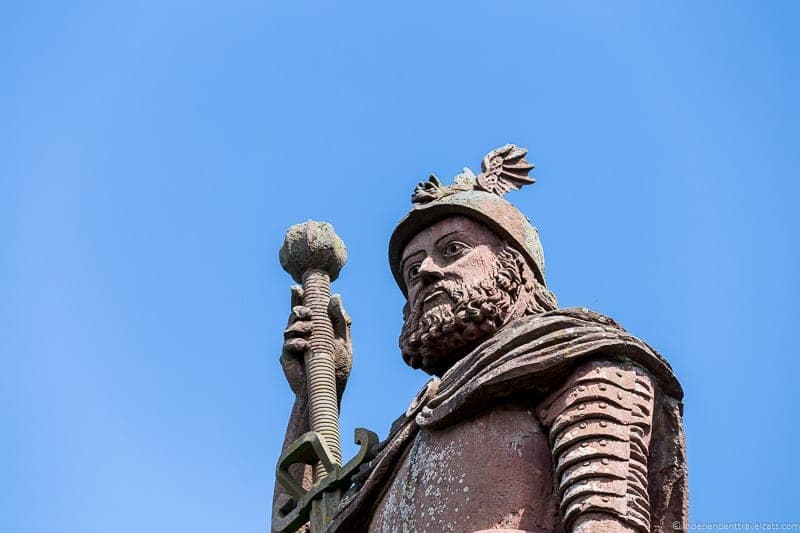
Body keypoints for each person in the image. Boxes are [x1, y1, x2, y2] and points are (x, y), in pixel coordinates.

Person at [274, 145, 687, 532]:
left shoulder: (575, 358)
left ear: (516, 267)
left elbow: (608, 521)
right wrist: (312, 398)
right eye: (412, 272)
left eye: (452, 250)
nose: (427, 274)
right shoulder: (401, 445)